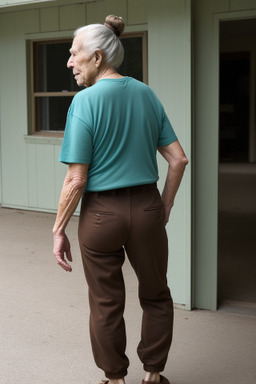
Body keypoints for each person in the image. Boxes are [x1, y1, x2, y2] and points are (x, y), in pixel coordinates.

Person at [53, 14, 188, 384]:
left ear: (97, 57)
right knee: (157, 294)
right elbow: (178, 159)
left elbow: (76, 178)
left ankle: (115, 379)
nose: (69, 62)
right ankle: (153, 375)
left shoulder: (84, 103)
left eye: (74, 53)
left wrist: (58, 229)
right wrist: (166, 203)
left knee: (106, 302)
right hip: (147, 208)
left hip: (100, 215)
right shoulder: (146, 93)